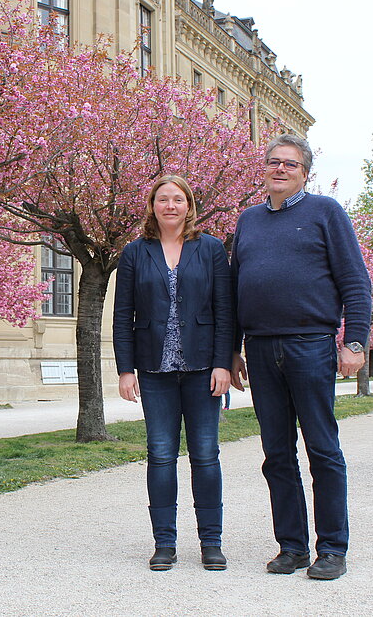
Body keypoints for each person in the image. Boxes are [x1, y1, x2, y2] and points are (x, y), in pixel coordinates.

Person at [229, 134, 372, 581]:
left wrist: (355, 342)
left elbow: (355, 281)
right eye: (273, 162)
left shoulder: (326, 213)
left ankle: (331, 548)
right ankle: (290, 546)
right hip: (261, 345)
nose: (280, 169)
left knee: (322, 449)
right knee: (276, 453)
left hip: (310, 345)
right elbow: (235, 290)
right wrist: (234, 349)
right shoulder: (248, 220)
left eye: (290, 164)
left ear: (304, 172)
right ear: (264, 169)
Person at [113, 175, 232, 572]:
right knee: (160, 455)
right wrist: (125, 370)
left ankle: (210, 543)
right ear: (152, 206)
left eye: (177, 199)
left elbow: (224, 312)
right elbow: (122, 315)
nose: (170, 206)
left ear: (189, 205)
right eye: (162, 199)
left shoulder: (211, 249)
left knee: (205, 454)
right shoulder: (134, 253)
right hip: (154, 369)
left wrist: (223, 363)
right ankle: (164, 542)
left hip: (203, 369)